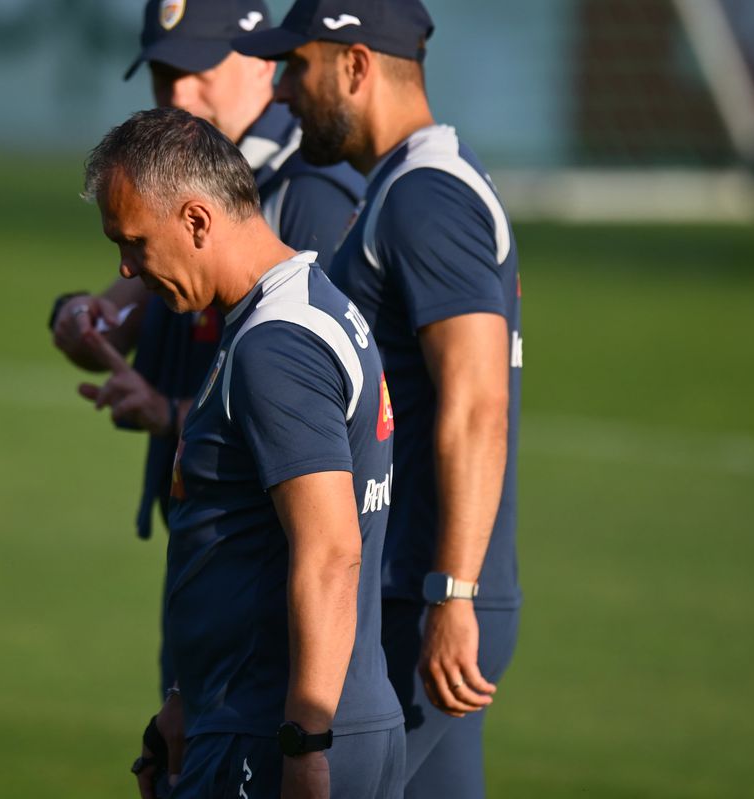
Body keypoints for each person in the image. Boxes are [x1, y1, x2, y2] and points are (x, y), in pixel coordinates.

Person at [234, 2, 523, 797]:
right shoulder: (407, 187)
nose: (285, 94)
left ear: (356, 65)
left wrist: (452, 592)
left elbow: (477, 402)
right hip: (426, 592)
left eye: (299, 67)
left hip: (423, 596)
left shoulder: (427, 197)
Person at [85, 106, 403, 799]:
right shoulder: (302, 310)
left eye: (135, 242)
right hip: (264, 719)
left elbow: (330, 551)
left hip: (276, 733)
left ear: (197, 220)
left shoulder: (275, 346)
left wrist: (305, 747)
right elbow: (244, 541)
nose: (126, 267)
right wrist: (186, 699)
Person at [50, 0, 364, 546]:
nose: (178, 97)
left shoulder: (307, 191)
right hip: (210, 531)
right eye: (163, 75)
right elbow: (119, 314)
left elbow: (324, 398)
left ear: (261, 63)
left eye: (198, 72)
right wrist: (81, 317)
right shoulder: (192, 189)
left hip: (266, 546)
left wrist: (169, 412)